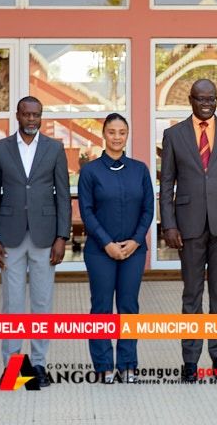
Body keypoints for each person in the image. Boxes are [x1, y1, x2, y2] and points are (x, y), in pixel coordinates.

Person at [159, 78, 217, 383]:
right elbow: (167, 184)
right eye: (201, 98)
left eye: (211, 98)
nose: (206, 103)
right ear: (190, 100)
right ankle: (189, 361)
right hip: (188, 226)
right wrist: (168, 224)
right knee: (192, 295)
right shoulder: (173, 135)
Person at [0, 96, 70, 388]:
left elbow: (63, 194)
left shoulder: (55, 148)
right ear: (17, 115)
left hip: (46, 236)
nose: (32, 119)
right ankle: (13, 367)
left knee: (43, 303)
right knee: (12, 304)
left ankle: (39, 365)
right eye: (27, 114)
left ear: (41, 116)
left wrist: (62, 236)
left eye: (37, 115)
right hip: (9, 237)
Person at [77, 113, 154, 384]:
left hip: (134, 251)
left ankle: (128, 364)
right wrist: (107, 243)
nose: (117, 137)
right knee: (101, 308)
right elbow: (86, 211)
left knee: (128, 307)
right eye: (112, 132)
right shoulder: (90, 171)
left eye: (122, 132)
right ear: (104, 134)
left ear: (127, 134)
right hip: (100, 252)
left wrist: (135, 241)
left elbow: (148, 209)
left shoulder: (140, 169)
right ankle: (103, 364)